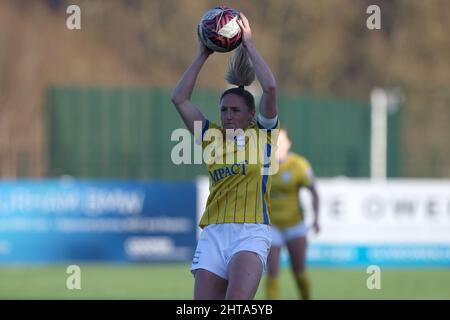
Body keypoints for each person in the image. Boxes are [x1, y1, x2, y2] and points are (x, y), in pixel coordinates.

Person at [171, 13, 278, 300]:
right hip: (214, 233)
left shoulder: (263, 135)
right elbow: (179, 98)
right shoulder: (211, 137)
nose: (228, 116)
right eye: (223, 110)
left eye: (235, 110)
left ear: (251, 115)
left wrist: (249, 45)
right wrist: (203, 53)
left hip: (250, 232)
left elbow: (270, 88)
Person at [266, 128, 320, 300]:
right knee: (272, 273)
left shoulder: (299, 165)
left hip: (295, 226)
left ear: (288, 144)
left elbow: (314, 192)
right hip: (271, 227)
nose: (277, 147)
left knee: (299, 272)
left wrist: (316, 219)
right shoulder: (262, 165)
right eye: (274, 143)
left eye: (281, 143)